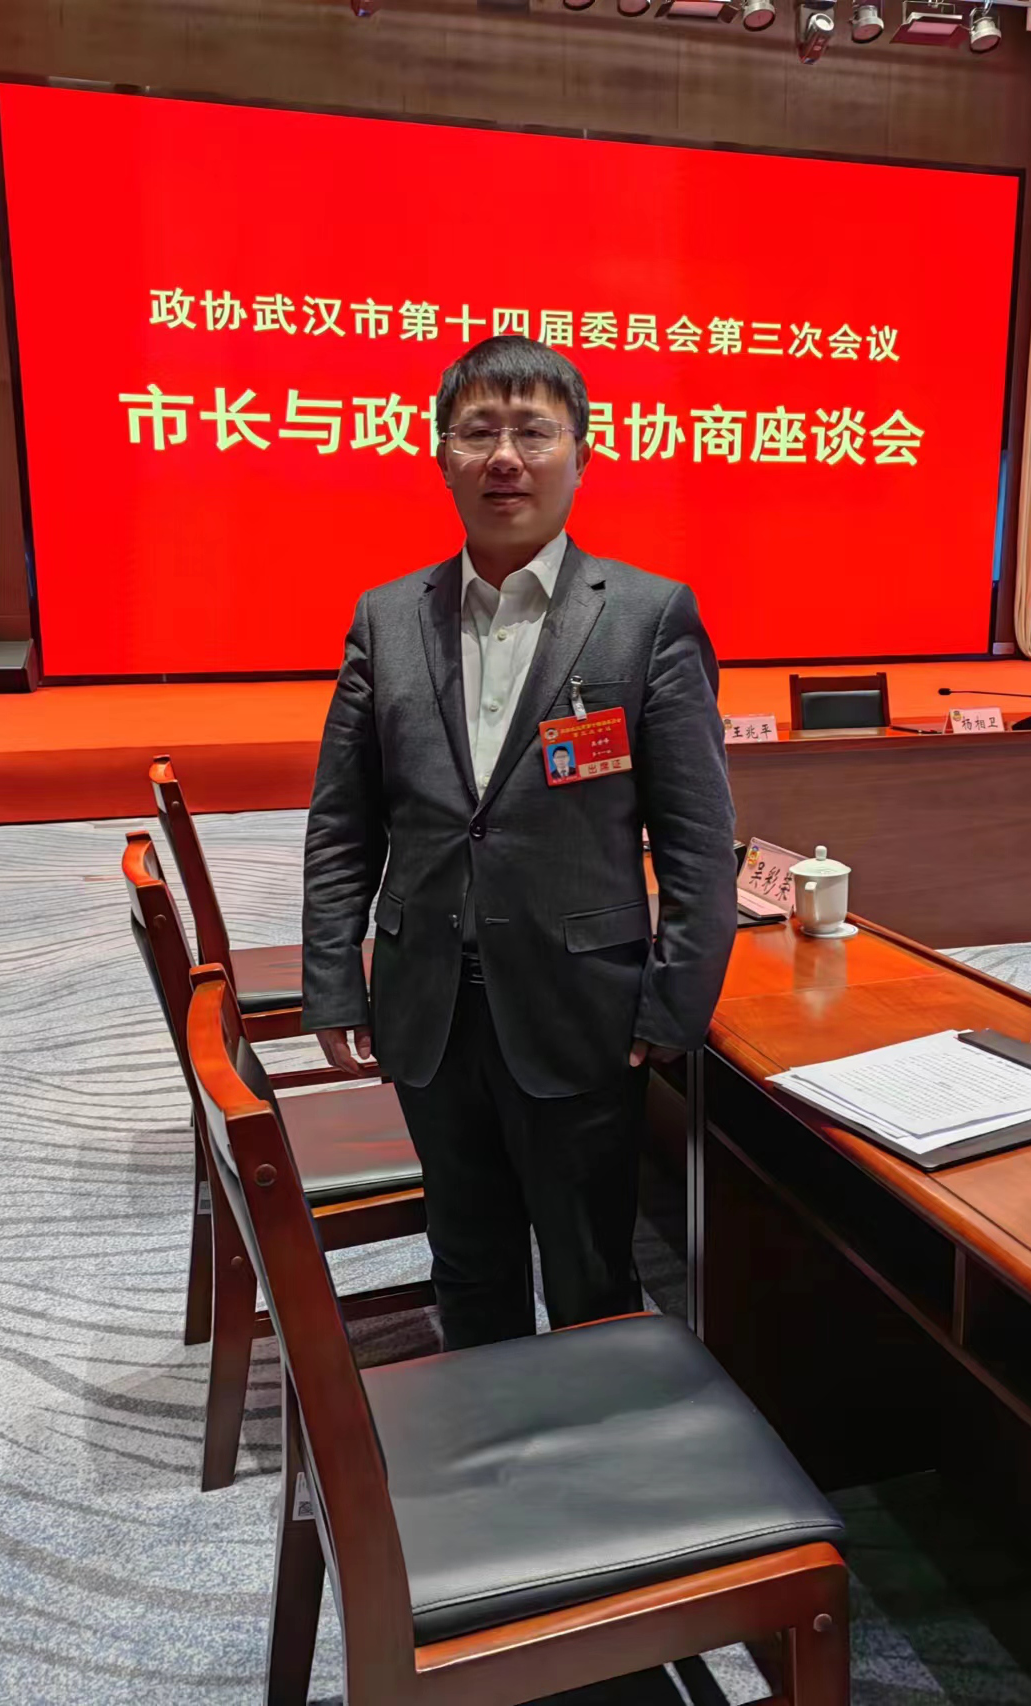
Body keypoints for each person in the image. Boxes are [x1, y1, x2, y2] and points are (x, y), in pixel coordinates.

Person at [302, 336, 736, 1349]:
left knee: (590, 1271)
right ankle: (488, 1430)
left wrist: (674, 1002)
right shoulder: (386, 618)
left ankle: (591, 1442)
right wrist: (332, 982)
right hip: (426, 1006)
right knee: (467, 1256)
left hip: (583, 1008)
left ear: (581, 455)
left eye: (533, 432)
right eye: (478, 432)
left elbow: (696, 837)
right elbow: (343, 822)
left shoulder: (646, 617)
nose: (505, 456)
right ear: (440, 455)